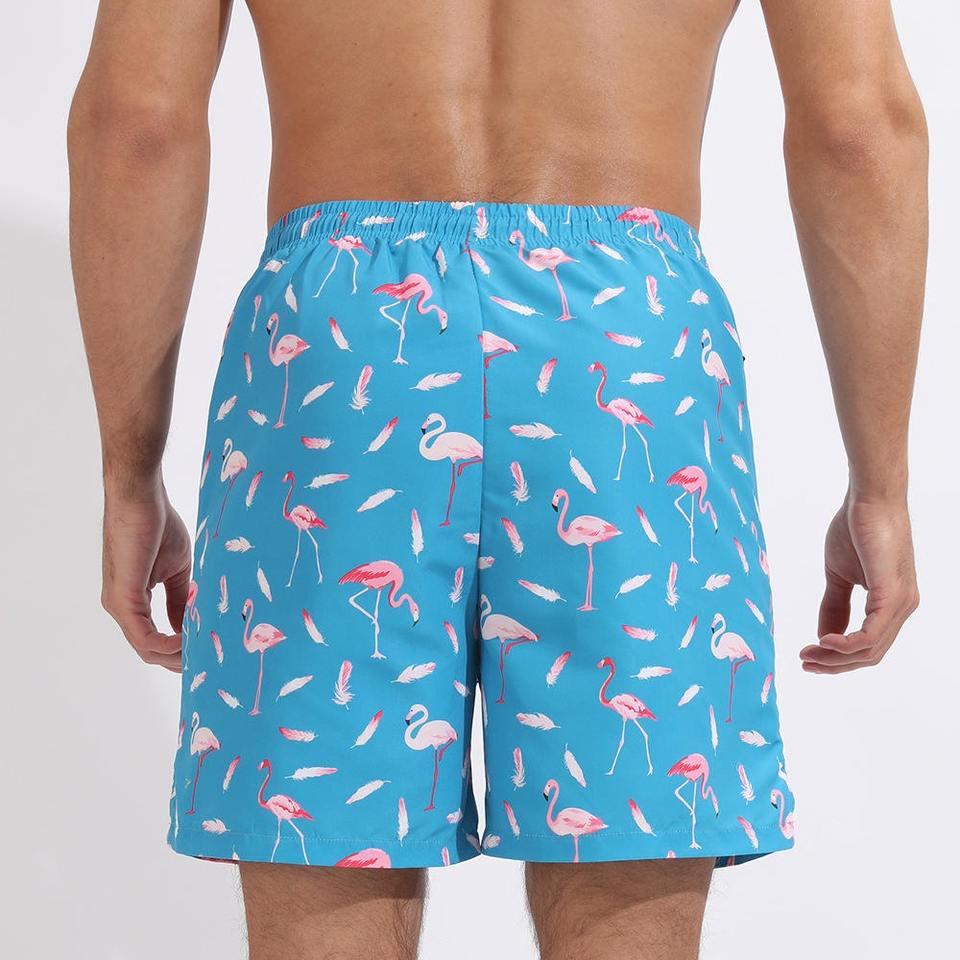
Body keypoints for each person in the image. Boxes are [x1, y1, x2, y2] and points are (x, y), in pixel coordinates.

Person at [68, 1, 925, 957]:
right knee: (626, 866)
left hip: (342, 350)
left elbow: (137, 120)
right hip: (626, 326)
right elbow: (858, 124)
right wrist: (880, 485)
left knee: (321, 846)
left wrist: (129, 473)